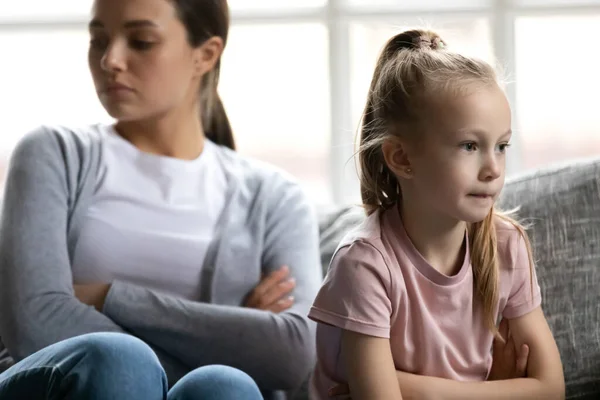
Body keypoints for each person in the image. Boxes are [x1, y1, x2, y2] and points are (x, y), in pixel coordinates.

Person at [0, 0, 322, 399]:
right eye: (98, 39)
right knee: (119, 361)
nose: (110, 60)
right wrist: (230, 334)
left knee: (224, 386)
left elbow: (294, 353)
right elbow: (34, 323)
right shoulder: (52, 153)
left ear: (205, 55)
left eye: (141, 41)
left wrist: (109, 296)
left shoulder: (275, 197)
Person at [307, 29, 565, 400]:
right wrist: (496, 391)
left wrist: (419, 390)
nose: (493, 168)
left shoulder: (507, 245)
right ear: (401, 157)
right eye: (469, 145)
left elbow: (551, 388)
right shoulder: (365, 264)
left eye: (502, 146)